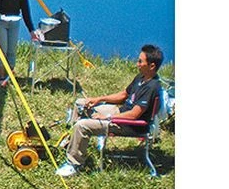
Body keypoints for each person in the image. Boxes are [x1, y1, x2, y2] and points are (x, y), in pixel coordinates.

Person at [55, 44, 164, 177]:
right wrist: (98, 99)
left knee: (82, 125)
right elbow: (124, 95)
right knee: (81, 104)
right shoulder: (141, 77)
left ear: (152, 66)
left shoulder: (152, 87)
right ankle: (71, 143)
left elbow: (134, 115)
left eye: (141, 62)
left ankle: (74, 164)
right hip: (120, 113)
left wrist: (107, 118)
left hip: (128, 125)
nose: (137, 64)